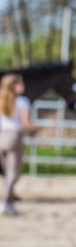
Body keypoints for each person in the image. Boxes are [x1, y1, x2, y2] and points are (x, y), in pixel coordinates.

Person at [0, 73, 37, 216]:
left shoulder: (1, 100)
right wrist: (36, 127)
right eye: (20, 84)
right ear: (15, 86)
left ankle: (7, 203)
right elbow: (26, 124)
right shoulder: (22, 102)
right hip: (14, 138)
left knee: (7, 173)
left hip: (1, 137)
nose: (23, 86)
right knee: (13, 174)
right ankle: (6, 202)